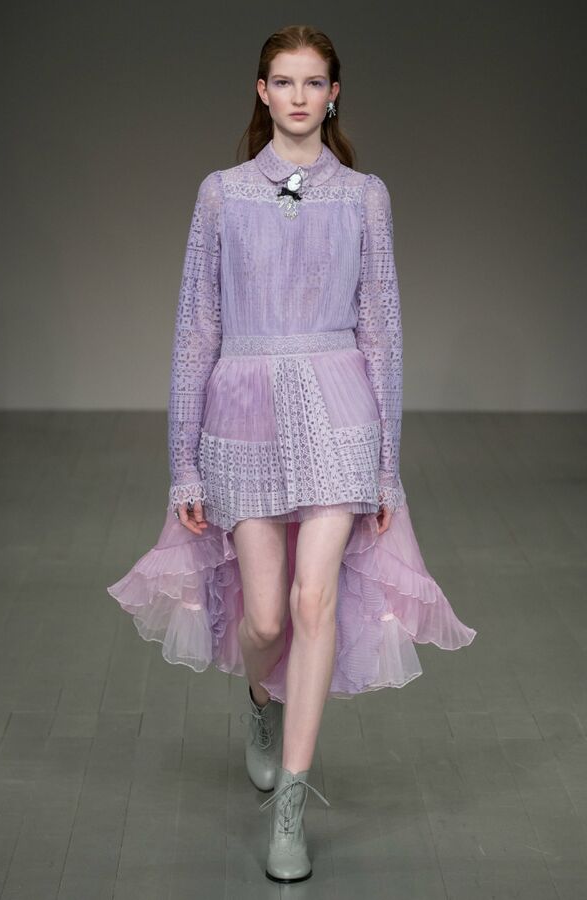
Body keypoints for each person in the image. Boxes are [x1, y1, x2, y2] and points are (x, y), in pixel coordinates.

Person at [107, 24, 477, 885]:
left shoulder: (365, 198)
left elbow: (381, 331)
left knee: (317, 601)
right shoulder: (222, 194)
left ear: (334, 94)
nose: (300, 96)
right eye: (285, 81)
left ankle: (292, 806)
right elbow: (195, 329)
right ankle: (259, 695)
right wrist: (182, 463)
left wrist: (386, 466)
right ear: (262, 91)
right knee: (267, 619)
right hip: (242, 414)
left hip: (339, 410)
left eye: (315, 82)